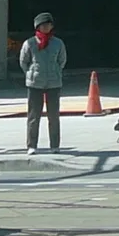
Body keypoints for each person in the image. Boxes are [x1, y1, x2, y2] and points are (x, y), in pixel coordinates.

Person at [21, 12, 67, 155]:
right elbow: (24, 61)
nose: (46, 27)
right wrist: (31, 73)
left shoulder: (58, 43)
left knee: (54, 116)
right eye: (43, 25)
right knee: (34, 116)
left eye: (49, 24)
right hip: (35, 83)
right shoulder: (30, 43)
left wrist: (56, 72)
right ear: (37, 27)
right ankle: (32, 145)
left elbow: (62, 61)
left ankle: (55, 145)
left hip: (54, 83)